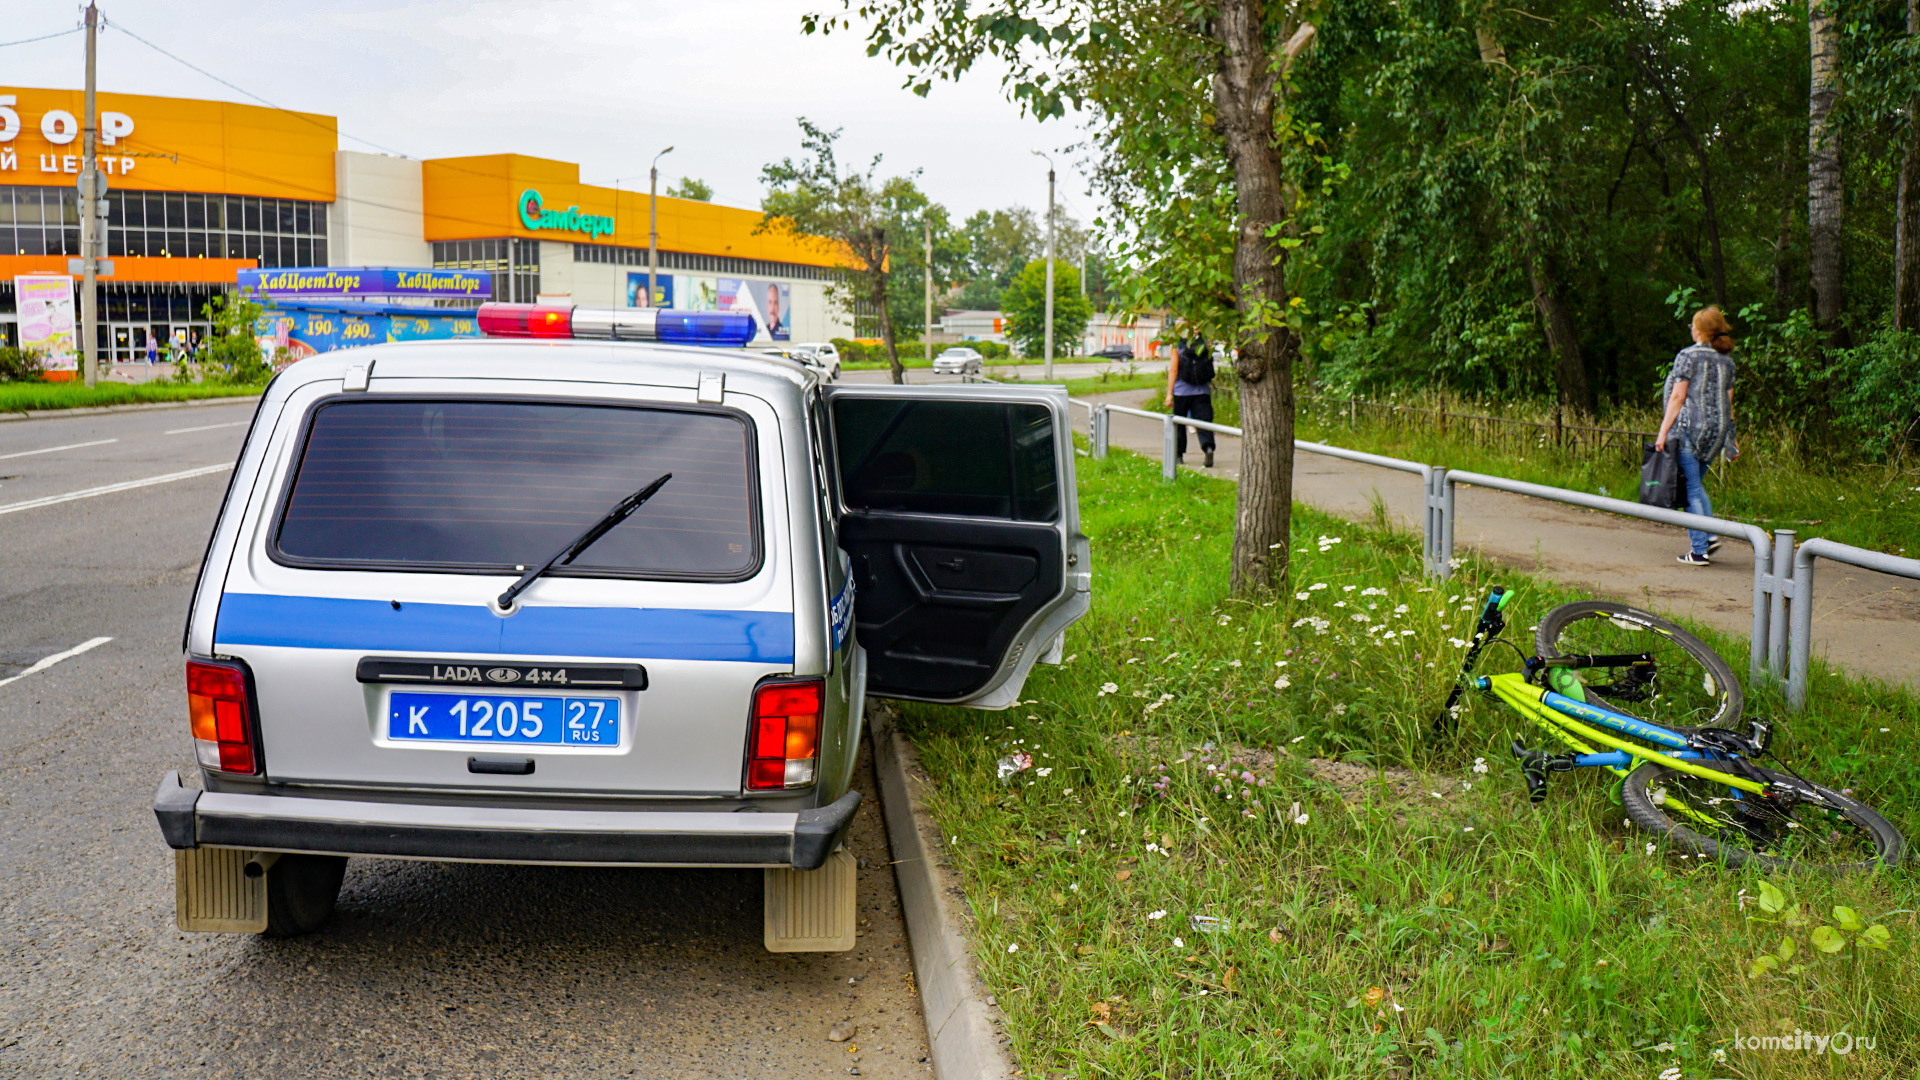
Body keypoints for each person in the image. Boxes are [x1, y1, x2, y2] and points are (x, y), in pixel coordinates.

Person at [1655, 306, 1740, 566]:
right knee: (1696, 484)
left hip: (1690, 429)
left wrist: (1663, 431)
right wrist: (1732, 439)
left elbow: (1678, 397)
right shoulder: (1727, 360)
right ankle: (1709, 535)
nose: (1691, 329)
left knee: (1690, 488)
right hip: (1716, 433)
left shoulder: (1687, 356)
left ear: (1700, 331)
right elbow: (1728, 402)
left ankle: (1699, 550)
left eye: (1693, 325)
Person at [1163, 330, 1216, 468]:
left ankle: (1179, 455)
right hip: (1202, 391)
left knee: (1179, 424)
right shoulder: (1204, 343)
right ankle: (1208, 448)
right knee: (1204, 422)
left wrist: (1169, 393)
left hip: (1181, 392)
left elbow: (1174, 369)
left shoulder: (1177, 345)